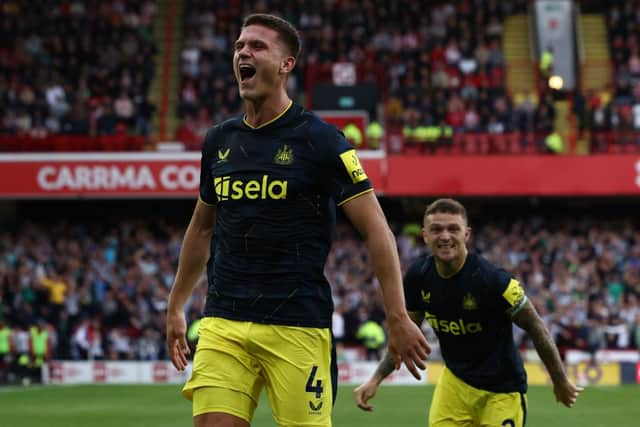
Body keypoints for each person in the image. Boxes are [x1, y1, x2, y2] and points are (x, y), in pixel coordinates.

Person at [166, 13, 430, 427]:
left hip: (296, 325)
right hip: (223, 320)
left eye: (257, 46)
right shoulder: (219, 141)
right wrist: (176, 305)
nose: (243, 53)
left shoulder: (321, 140)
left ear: (287, 64)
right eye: (239, 46)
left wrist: (397, 315)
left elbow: (376, 228)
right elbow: (202, 226)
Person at [355, 198, 582, 426]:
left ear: (467, 234)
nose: (445, 236)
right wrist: (375, 379)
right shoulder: (418, 277)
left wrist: (559, 380)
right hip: (455, 385)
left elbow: (536, 327)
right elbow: (402, 336)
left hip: (502, 392)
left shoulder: (494, 281)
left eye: (453, 229)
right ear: (425, 235)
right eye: (436, 230)